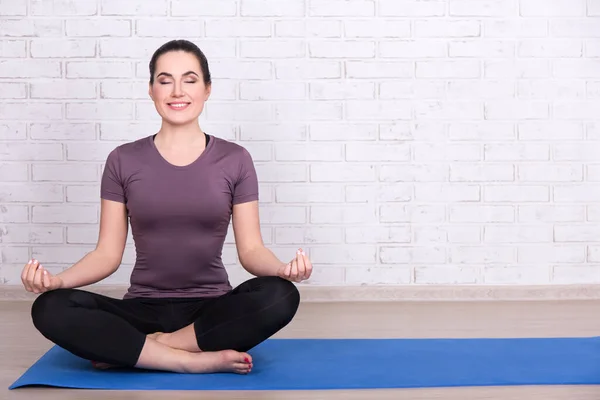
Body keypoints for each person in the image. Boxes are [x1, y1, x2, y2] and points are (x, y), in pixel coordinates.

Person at [20, 39, 312, 375]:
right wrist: (58, 282)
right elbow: (107, 254)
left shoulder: (235, 160)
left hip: (210, 313)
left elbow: (251, 250)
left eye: (189, 80)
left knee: (280, 295)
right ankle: (187, 360)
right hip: (141, 311)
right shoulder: (123, 160)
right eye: (165, 80)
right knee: (50, 307)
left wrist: (282, 270)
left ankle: (152, 348)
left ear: (207, 89)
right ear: (151, 90)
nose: (177, 91)